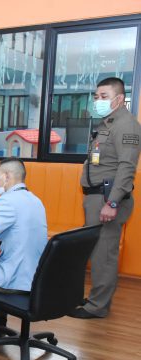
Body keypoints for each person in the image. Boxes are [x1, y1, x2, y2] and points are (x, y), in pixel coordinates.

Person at [71, 77, 140, 319]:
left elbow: (127, 167)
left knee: (104, 255)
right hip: (96, 198)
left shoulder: (126, 125)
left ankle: (97, 307)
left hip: (107, 199)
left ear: (119, 99)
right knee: (95, 251)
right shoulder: (108, 123)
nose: (97, 101)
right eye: (96, 96)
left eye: (103, 96)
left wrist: (112, 203)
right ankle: (95, 298)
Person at [0, 158, 47, 328]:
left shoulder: (5, 201)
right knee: (2, 260)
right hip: (36, 278)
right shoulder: (36, 200)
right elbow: (17, 224)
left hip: (13, 280)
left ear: (6, 177)